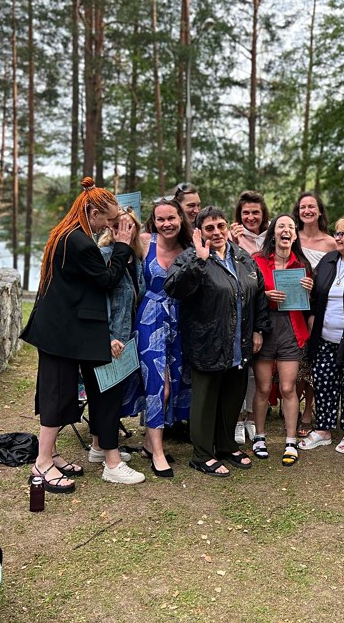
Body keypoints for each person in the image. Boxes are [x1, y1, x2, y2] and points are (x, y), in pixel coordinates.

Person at [21, 177, 137, 492]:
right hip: (61, 332)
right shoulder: (80, 242)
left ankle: (51, 454)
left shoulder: (66, 233)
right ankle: (42, 463)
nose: (109, 226)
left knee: (61, 394)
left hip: (60, 328)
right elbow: (107, 280)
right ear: (92, 212)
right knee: (57, 394)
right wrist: (123, 246)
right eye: (107, 220)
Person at [164, 206, 270, 477]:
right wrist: (199, 261)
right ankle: (201, 455)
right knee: (206, 399)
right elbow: (174, 288)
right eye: (209, 228)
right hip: (207, 341)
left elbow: (258, 295)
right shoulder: (190, 257)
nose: (217, 232)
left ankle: (226, 446)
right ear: (199, 231)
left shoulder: (243, 258)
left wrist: (259, 329)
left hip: (239, 341)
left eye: (221, 226)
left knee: (233, 396)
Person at [125, 199, 193, 478]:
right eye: (160, 219)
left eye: (171, 218)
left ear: (180, 219)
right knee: (158, 386)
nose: (166, 224)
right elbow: (113, 245)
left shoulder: (189, 248)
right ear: (153, 221)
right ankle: (158, 452)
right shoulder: (144, 241)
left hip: (179, 320)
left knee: (174, 383)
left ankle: (148, 443)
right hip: (149, 320)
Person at [299, 214, 344, 454]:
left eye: (342, 234)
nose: (337, 238)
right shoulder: (328, 260)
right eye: (336, 233)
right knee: (323, 381)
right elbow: (317, 295)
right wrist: (311, 312)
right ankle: (323, 429)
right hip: (324, 336)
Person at [88, 205, 147, 484]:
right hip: (111, 338)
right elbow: (96, 300)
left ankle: (98, 447)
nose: (123, 230)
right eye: (116, 225)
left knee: (107, 394)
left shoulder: (136, 259)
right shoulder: (104, 255)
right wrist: (108, 335)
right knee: (108, 398)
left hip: (126, 337)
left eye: (128, 225)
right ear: (108, 228)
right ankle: (112, 465)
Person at [250, 214, 314, 466]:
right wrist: (265, 294)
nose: (286, 230)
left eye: (290, 227)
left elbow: (311, 304)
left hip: (291, 328)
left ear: (295, 235)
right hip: (265, 328)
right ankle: (259, 437)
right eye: (281, 226)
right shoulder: (257, 260)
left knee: (288, 388)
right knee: (263, 388)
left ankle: (290, 440)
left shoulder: (303, 264)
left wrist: (310, 289)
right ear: (273, 233)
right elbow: (247, 294)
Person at [291, 191, 336, 436]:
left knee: (312, 362)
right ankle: (292, 409)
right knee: (294, 361)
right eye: (303, 207)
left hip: (317, 307)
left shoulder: (330, 243)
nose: (307, 211)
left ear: (319, 211)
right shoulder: (292, 236)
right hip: (292, 305)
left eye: (312, 206)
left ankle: (308, 411)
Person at [229, 190, 270, 445]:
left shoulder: (269, 238)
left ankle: (253, 418)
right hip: (236, 312)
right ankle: (236, 419)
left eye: (256, 212)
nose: (251, 217)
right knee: (237, 368)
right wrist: (234, 241)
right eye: (246, 213)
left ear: (263, 214)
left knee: (256, 370)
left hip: (261, 310)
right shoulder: (230, 236)